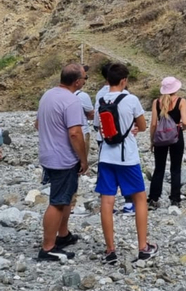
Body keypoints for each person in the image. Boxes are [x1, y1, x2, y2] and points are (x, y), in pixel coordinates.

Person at [95, 63, 158, 264]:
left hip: (106, 156)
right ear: (124, 80)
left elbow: (98, 126)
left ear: (108, 80)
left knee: (107, 201)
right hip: (127, 157)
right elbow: (142, 125)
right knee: (140, 199)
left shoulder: (100, 100)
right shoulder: (131, 99)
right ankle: (143, 247)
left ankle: (110, 250)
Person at [36, 63, 89, 261]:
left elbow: (38, 124)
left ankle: (63, 234)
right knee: (58, 202)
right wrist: (83, 159)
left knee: (65, 197)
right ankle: (48, 247)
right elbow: (75, 133)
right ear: (77, 82)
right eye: (84, 78)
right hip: (63, 159)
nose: (85, 81)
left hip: (48, 155)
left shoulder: (48, 95)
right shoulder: (72, 101)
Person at [94, 63, 135, 215]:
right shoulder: (128, 96)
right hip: (124, 142)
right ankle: (129, 202)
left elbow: (97, 123)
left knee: (107, 175)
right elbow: (138, 122)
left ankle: (106, 205)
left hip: (104, 139)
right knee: (126, 172)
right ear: (123, 80)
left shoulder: (100, 95)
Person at [147, 76, 186, 208]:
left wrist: (152, 140)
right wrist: (183, 127)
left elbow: (153, 124)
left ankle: (153, 198)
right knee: (175, 168)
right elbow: (185, 122)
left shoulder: (156, 102)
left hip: (160, 137)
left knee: (159, 168)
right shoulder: (181, 101)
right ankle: (175, 199)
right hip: (176, 136)